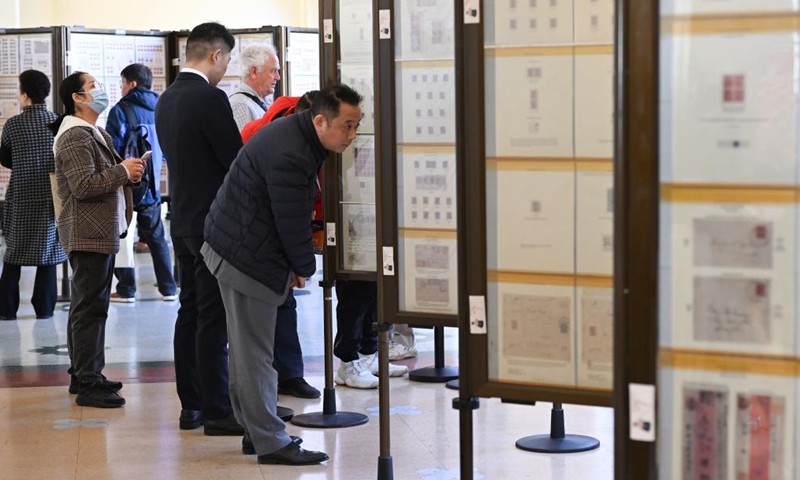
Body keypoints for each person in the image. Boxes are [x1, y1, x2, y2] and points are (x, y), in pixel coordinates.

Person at [202, 84, 365, 465]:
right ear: (321, 119)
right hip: (246, 257)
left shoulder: (294, 132)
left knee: (246, 349)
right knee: (256, 353)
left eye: (357, 125)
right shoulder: (293, 152)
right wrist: (304, 267)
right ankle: (271, 441)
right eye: (347, 126)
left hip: (234, 246)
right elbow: (291, 220)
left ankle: (254, 431)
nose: (352, 135)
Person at [155, 22, 244, 435]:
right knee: (213, 316)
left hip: (183, 220)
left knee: (189, 311)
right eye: (227, 59)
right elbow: (235, 160)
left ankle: (190, 405)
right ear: (215, 55)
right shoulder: (210, 98)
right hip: (213, 223)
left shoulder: (166, 98)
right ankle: (215, 409)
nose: (226, 68)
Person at [50, 71, 146, 408]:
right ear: (77, 97)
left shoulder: (92, 132)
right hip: (87, 231)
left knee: (89, 307)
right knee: (90, 309)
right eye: (93, 87)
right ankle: (88, 380)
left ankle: (85, 374)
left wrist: (130, 171)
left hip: (98, 231)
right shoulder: (76, 135)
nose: (100, 91)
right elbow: (84, 185)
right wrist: (122, 172)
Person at [238, 91, 320, 400]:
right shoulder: (281, 146)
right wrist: (300, 264)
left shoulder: (299, 134)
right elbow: (288, 210)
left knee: (284, 303)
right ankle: (260, 396)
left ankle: (288, 375)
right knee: (262, 311)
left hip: (275, 229)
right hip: (255, 233)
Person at [105, 63, 177, 303]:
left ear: (132, 84)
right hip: (152, 187)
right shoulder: (162, 109)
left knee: (123, 236)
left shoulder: (120, 111)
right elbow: (167, 148)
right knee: (157, 239)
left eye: (123, 82)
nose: (121, 87)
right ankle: (168, 288)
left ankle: (126, 290)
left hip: (126, 185)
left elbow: (111, 150)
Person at [0, 70, 67, 320]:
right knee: (48, 255)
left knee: (14, 255)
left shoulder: (13, 124)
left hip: (21, 196)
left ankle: (6, 310)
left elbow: (5, 158)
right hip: (50, 198)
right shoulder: (58, 122)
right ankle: (44, 310)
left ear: (25, 95)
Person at [230, 43, 280, 131]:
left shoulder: (254, 102)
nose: (278, 77)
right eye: (273, 71)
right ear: (254, 71)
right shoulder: (242, 105)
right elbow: (242, 144)